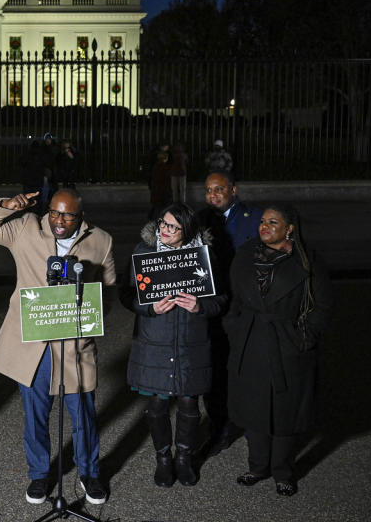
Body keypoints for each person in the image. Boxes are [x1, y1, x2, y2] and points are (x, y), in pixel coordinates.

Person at [0, 187, 114, 506]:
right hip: (34, 347)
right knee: (35, 416)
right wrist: (6, 206)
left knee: (83, 416)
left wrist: (83, 311)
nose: (58, 220)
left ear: (81, 215)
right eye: (53, 212)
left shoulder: (101, 241)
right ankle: (39, 475)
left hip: (74, 346)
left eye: (67, 214)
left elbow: (106, 292)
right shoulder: (25, 228)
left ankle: (90, 473)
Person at [226, 204, 332, 497]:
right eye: (262, 221)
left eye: (273, 222)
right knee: (253, 409)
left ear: (289, 229)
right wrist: (234, 329)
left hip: (288, 345)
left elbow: (321, 307)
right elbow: (234, 299)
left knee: (286, 413)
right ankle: (257, 466)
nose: (264, 226)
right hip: (250, 342)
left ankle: (283, 471)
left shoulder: (308, 261)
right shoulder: (246, 255)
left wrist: (303, 338)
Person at [122, 203, 226, 488]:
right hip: (155, 340)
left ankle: (184, 457)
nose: (165, 231)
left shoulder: (204, 257)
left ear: (187, 231)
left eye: (173, 227)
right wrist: (150, 308)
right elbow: (127, 296)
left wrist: (200, 305)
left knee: (189, 401)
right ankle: (163, 458)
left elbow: (221, 300)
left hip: (190, 342)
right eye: (163, 224)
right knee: (157, 402)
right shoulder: (143, 253)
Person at [197, 169, 263, 454]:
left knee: (248, 371)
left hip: (245, 308)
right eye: (209, 190)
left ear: (233, 190)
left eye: (219, 189)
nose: (213, 195)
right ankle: (219, 430)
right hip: (213, 308)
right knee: (214, 372)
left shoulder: (256, 216)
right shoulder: (199, 219)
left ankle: (254, 431)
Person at [149, 148, 171, 219]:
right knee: (161, 207)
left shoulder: (156, 166)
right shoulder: (164, 167)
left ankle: (153, 217)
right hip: (162, 190)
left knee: (157, 206)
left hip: (156, 189)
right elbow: (166, 179)